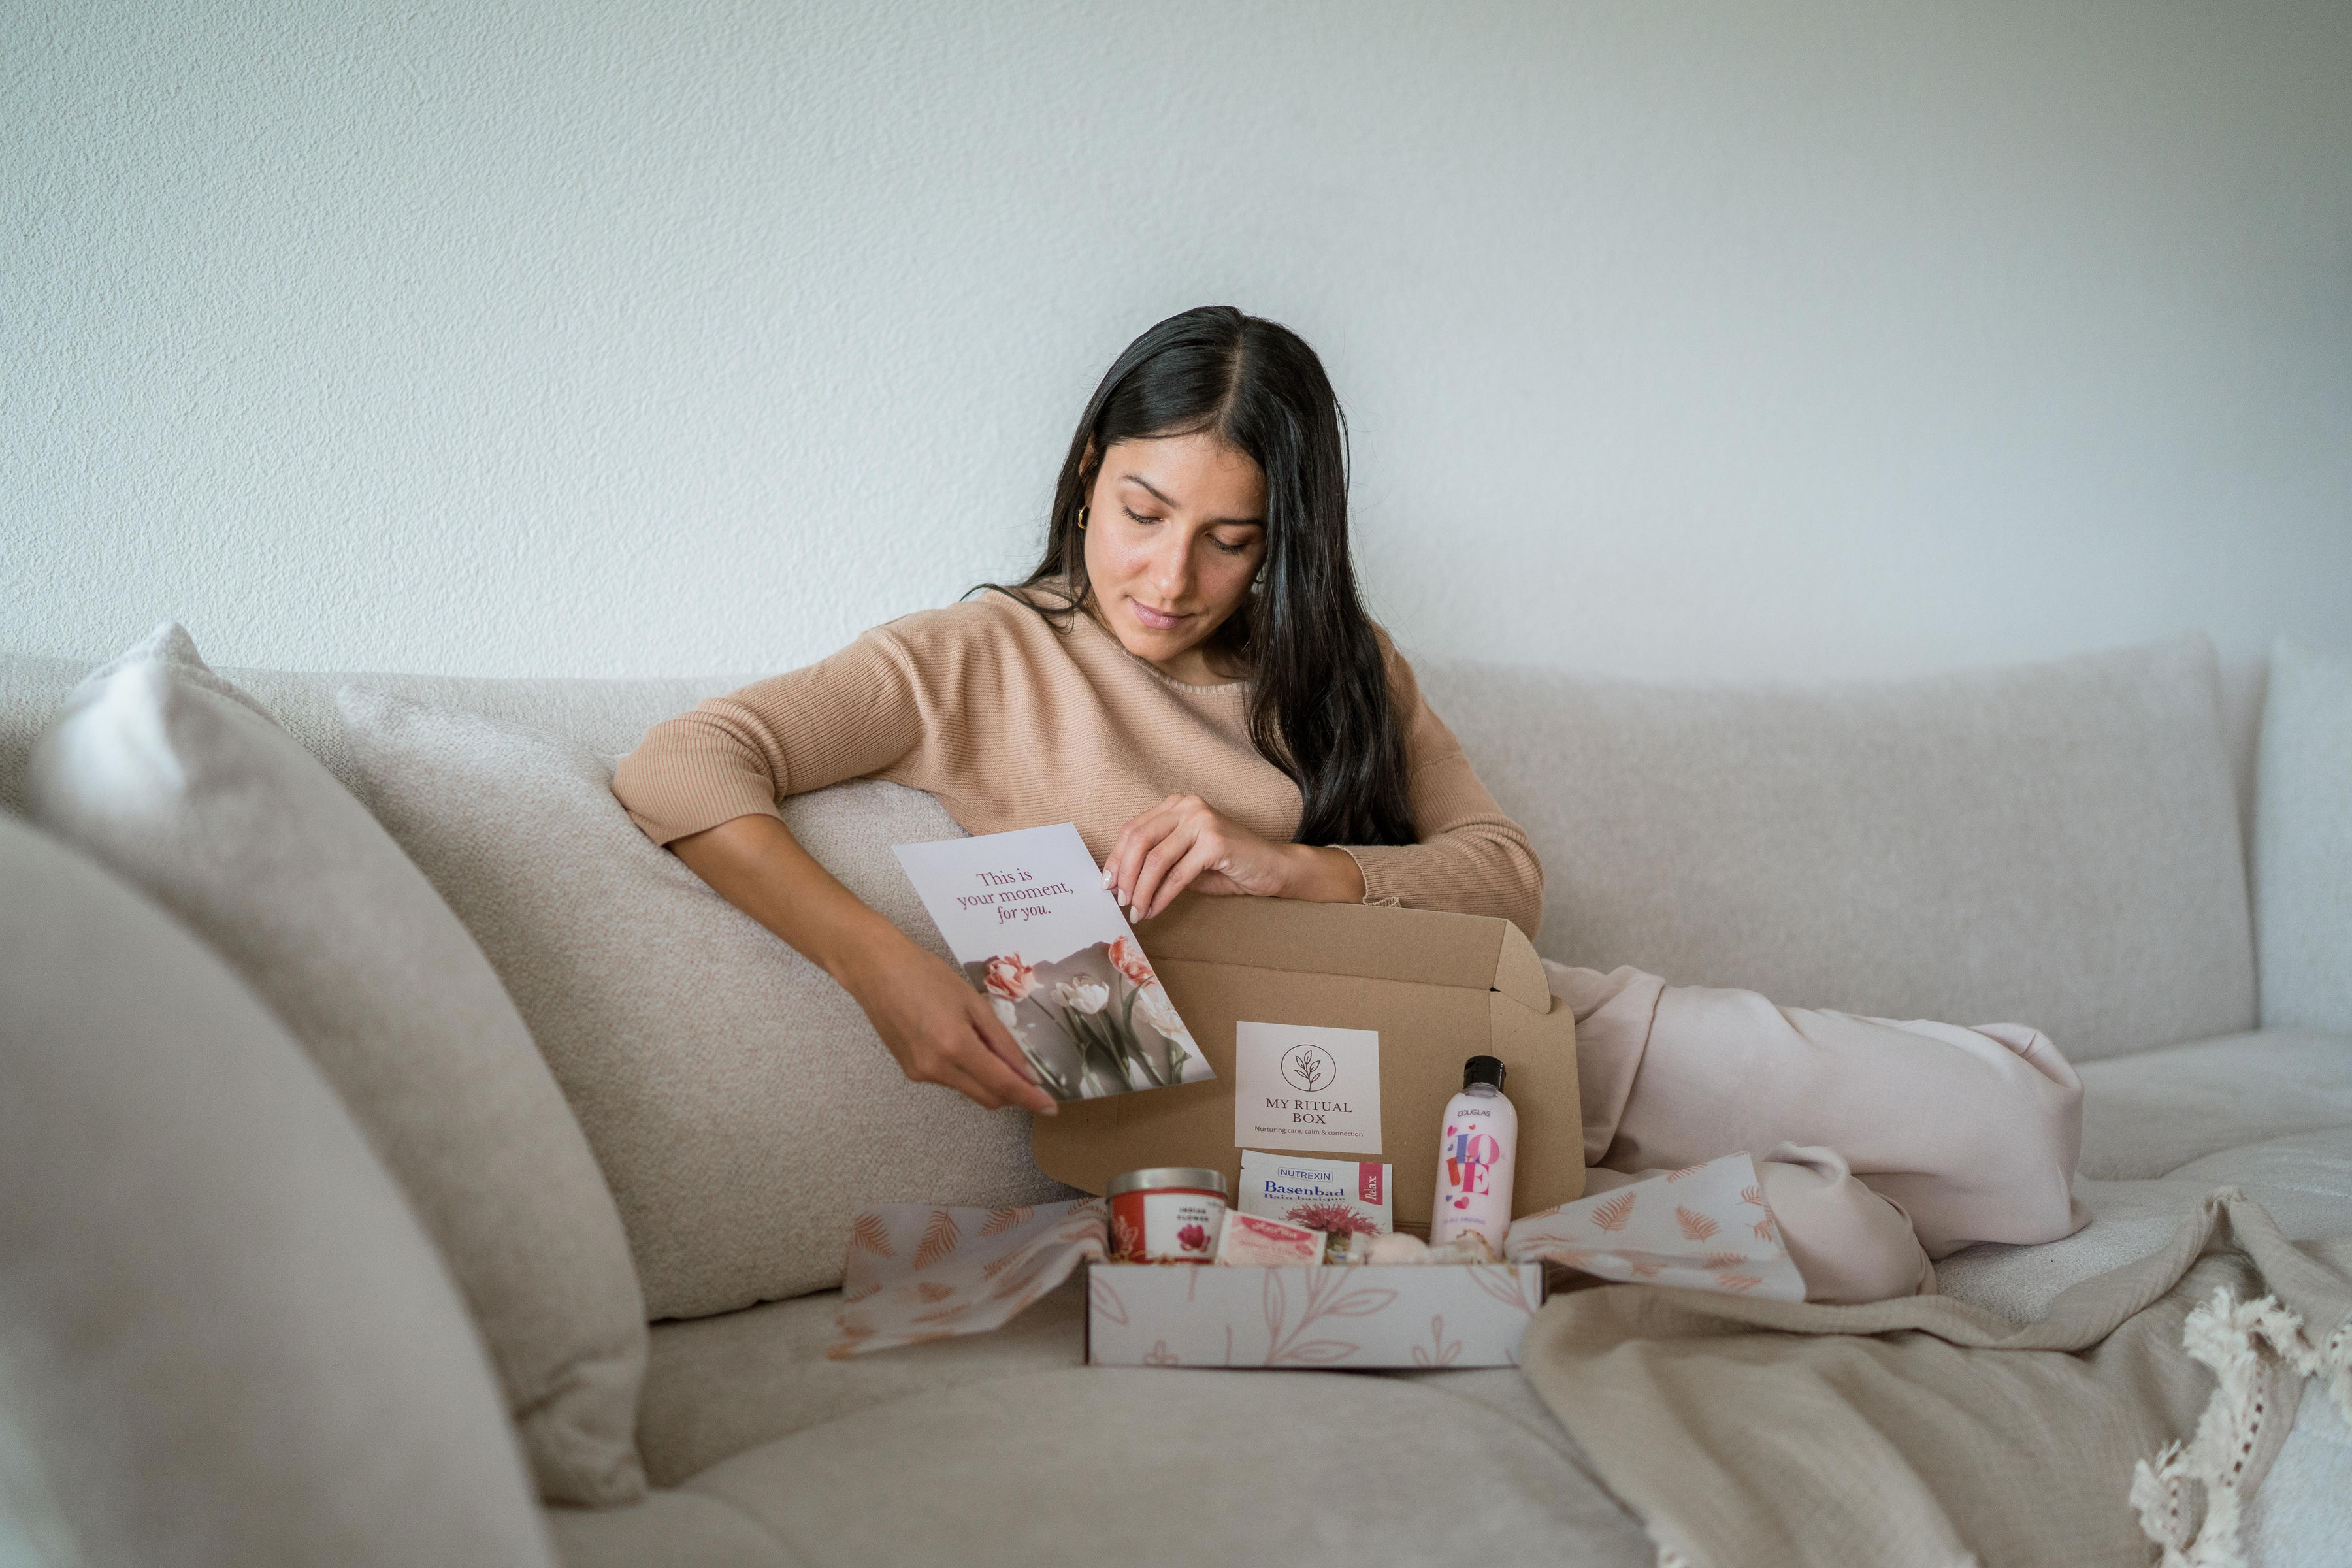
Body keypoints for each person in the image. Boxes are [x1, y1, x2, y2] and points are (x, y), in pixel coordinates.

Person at [613, 305, 2084, 1301]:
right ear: (1083, 473)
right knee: (1856, 1245)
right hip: (1304, 1151)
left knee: (2018, 1144)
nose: (1169, 576)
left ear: (1281, 545)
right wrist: (883, 968)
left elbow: (1505, 875)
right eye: (1140, 512)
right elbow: (679, 765)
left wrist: (1295, 868)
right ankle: (1643, 1232)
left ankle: (1815, 1150)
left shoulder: (1341, 663)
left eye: (1228, 540)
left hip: (1512, 1035)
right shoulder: (969, 657)